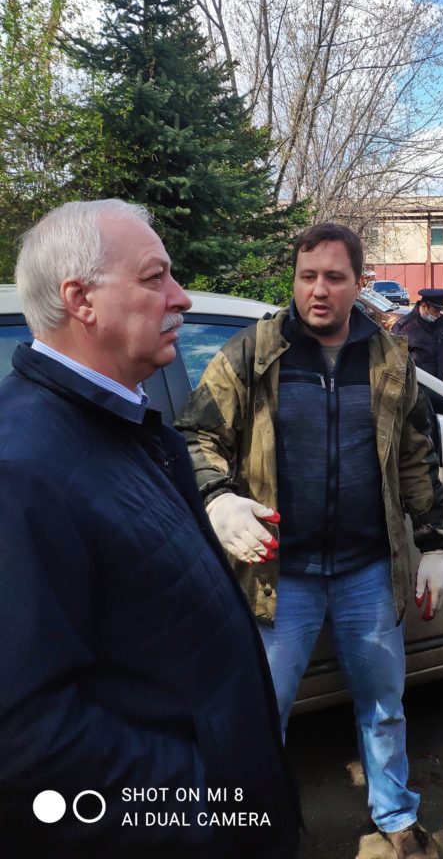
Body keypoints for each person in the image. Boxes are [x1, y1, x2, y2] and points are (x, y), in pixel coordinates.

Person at [0, 200, 300, 858]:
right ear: (81, 299)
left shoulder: (131, 428)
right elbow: (30, 745)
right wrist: (216, 808)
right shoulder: (20, 470)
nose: (182, 297)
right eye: (155, 277)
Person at [176, 222, 443, 859]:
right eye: (307, 276)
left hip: (365, 573)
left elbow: (417, 453)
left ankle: (395, 816)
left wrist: (433, 541)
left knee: (384, 705)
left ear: (360, 282)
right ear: (294, 279)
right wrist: (217, 497)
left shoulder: (389, 359)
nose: (318, 290)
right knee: (259, 714)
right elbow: (195, 436)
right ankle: (252, 826)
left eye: (334, 277)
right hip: (280, 575)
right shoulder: (254, 352)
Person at [391, 288, 443, 382]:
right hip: (418, 385)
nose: (438, 315)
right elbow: (395, 361)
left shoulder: (441, 322)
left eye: (440, 311)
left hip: (440, 383)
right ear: (424, 305)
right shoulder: (405, 327)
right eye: (435, 311)